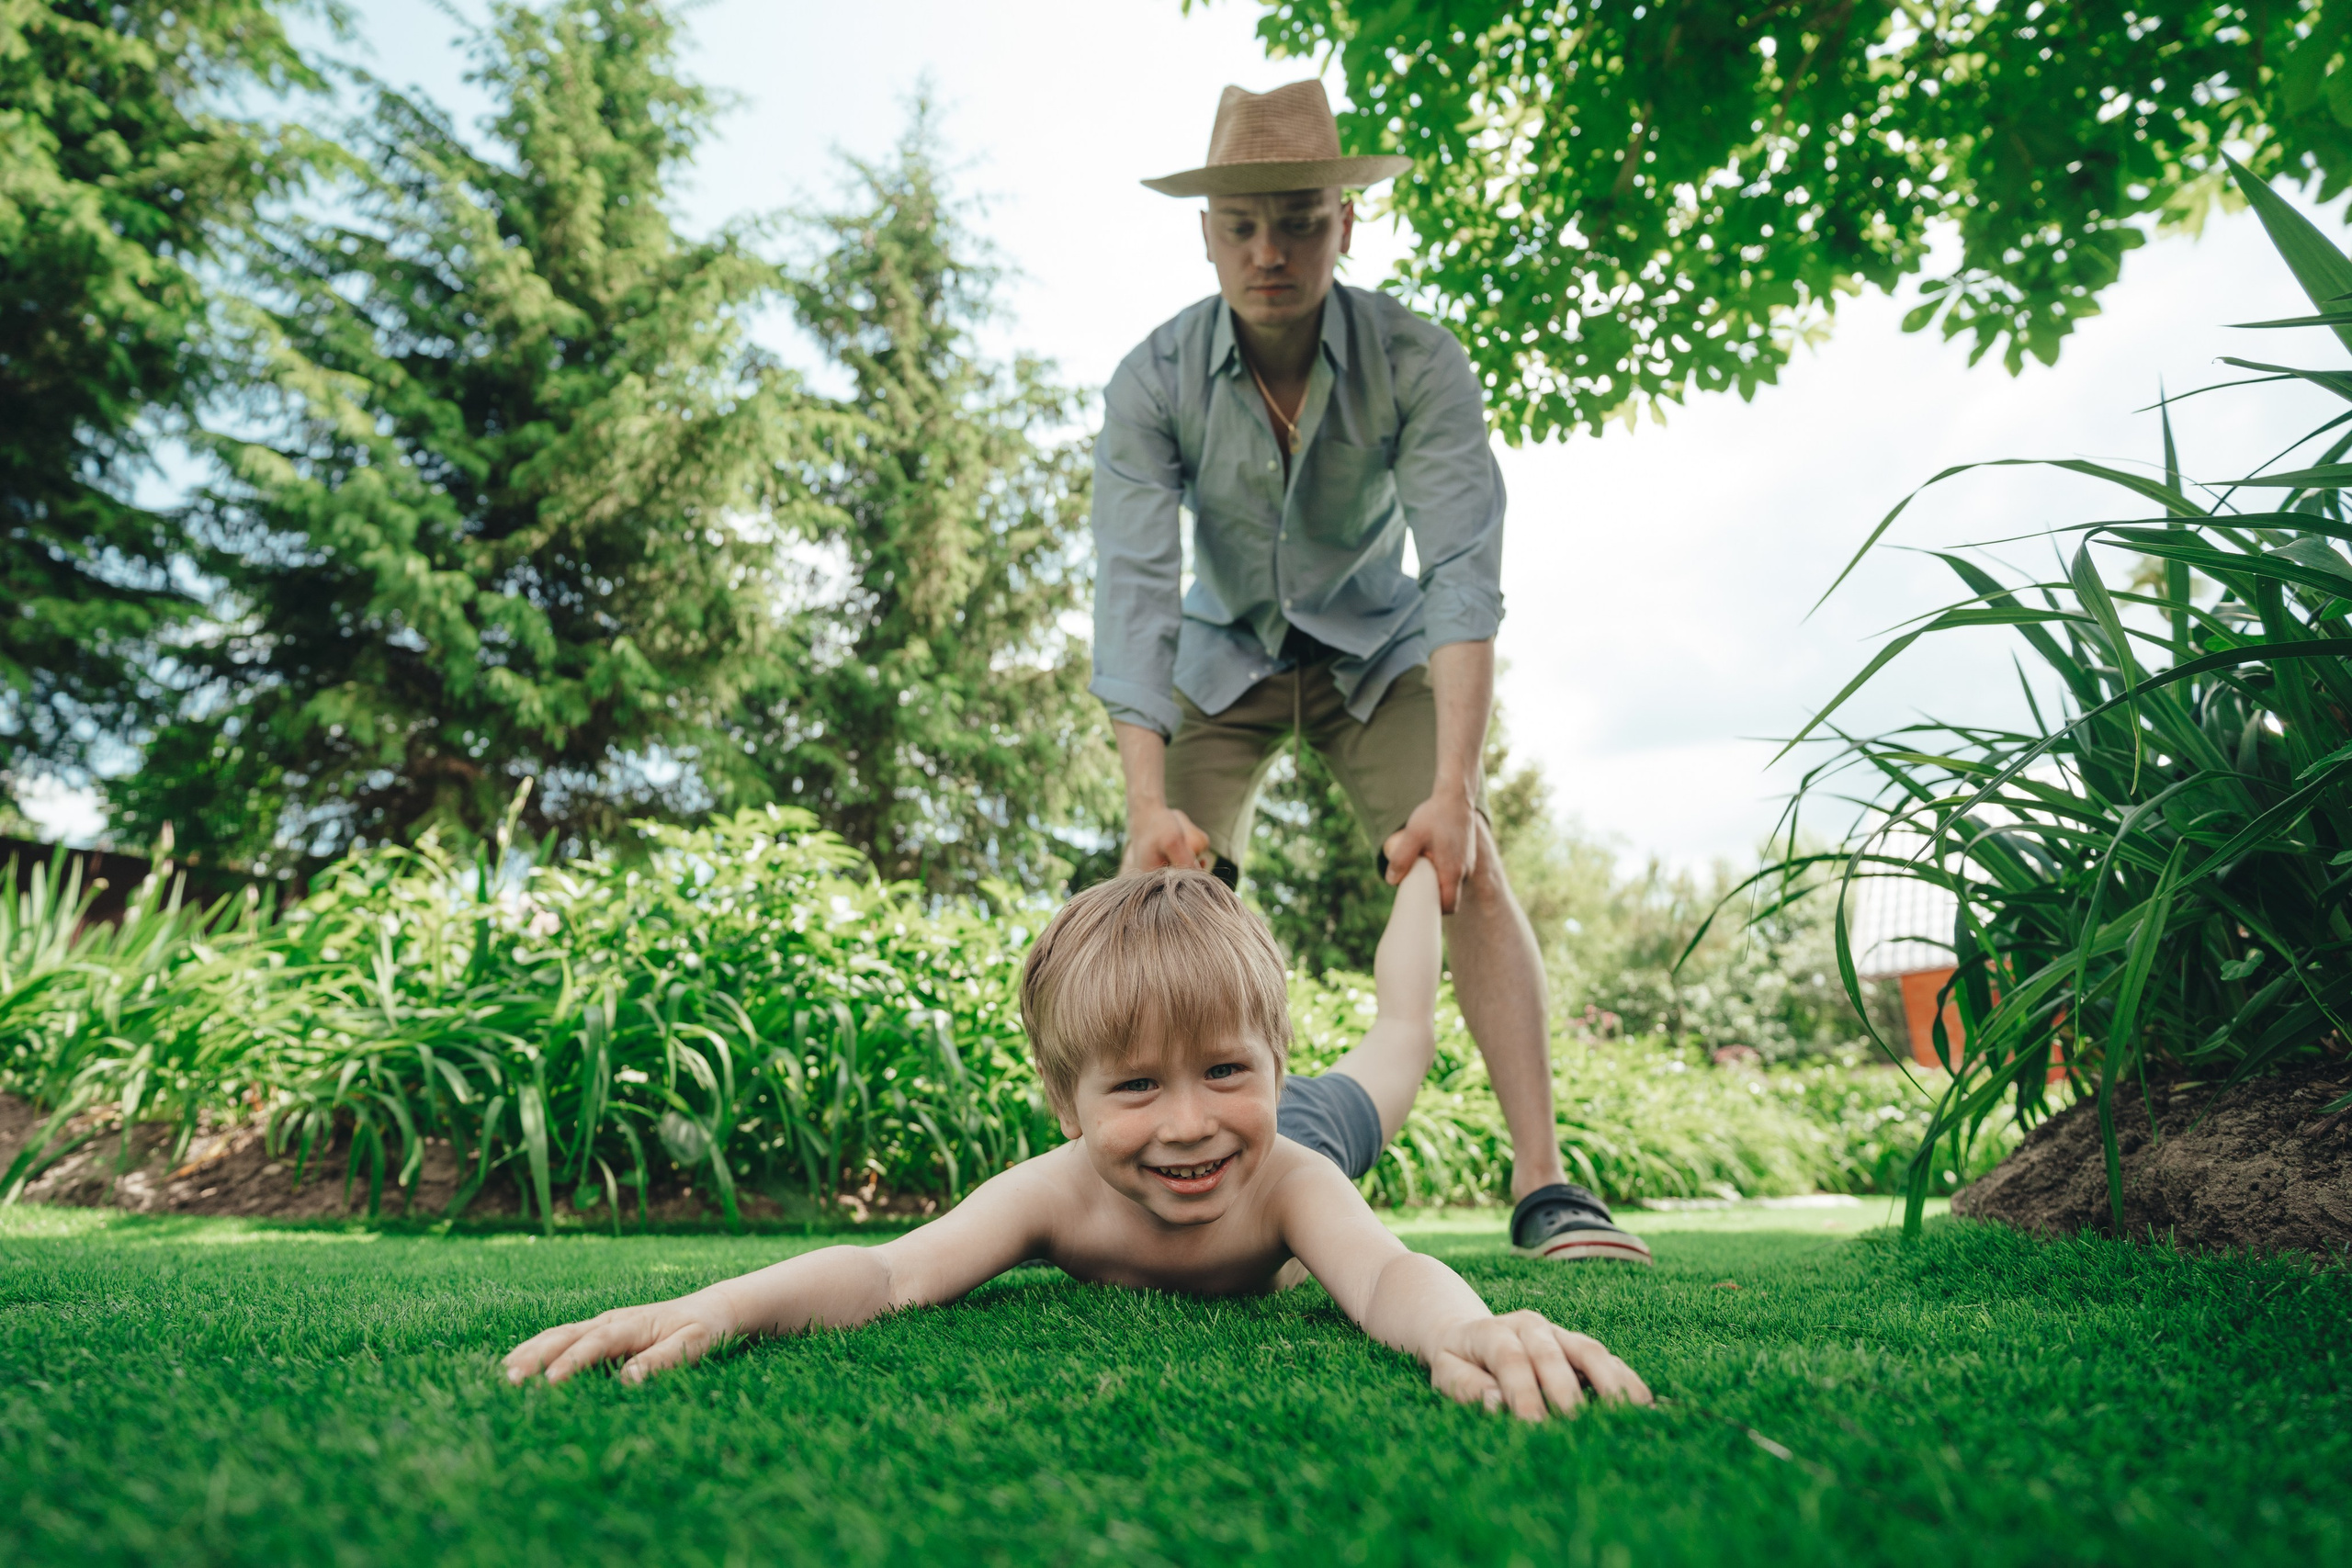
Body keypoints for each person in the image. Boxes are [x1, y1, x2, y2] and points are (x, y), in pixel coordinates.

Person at [1091, 80, 1650, 1264]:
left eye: (1299, 222)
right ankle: (1130, 1192)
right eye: (1241, 226)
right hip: (1219, 655)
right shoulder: (1151, 380)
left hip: (1374, 652)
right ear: (1204, 236)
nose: (1269, 251)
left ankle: (1545, 1182)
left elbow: (1460, 576)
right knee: (1151, 890)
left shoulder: (1417, 360)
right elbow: (1134, 591)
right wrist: (1146, 806)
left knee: (1468, 860)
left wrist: (1452, 793)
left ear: (1345, 223)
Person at [503, 865, 1652, 1422]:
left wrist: (1462, 1328)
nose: (1186, 1120)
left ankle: (1422, 868)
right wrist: (725, 1304)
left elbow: (1386, 1274)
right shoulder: (1052, 1193)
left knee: (1401, 1034)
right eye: (1136, 1086)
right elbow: (893, 1272)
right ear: (1066, 1101)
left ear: (1270, 1059)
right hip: (1238, 1121)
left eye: (1223, 1070)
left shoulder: (1293, 1175)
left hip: (1301, 1130)